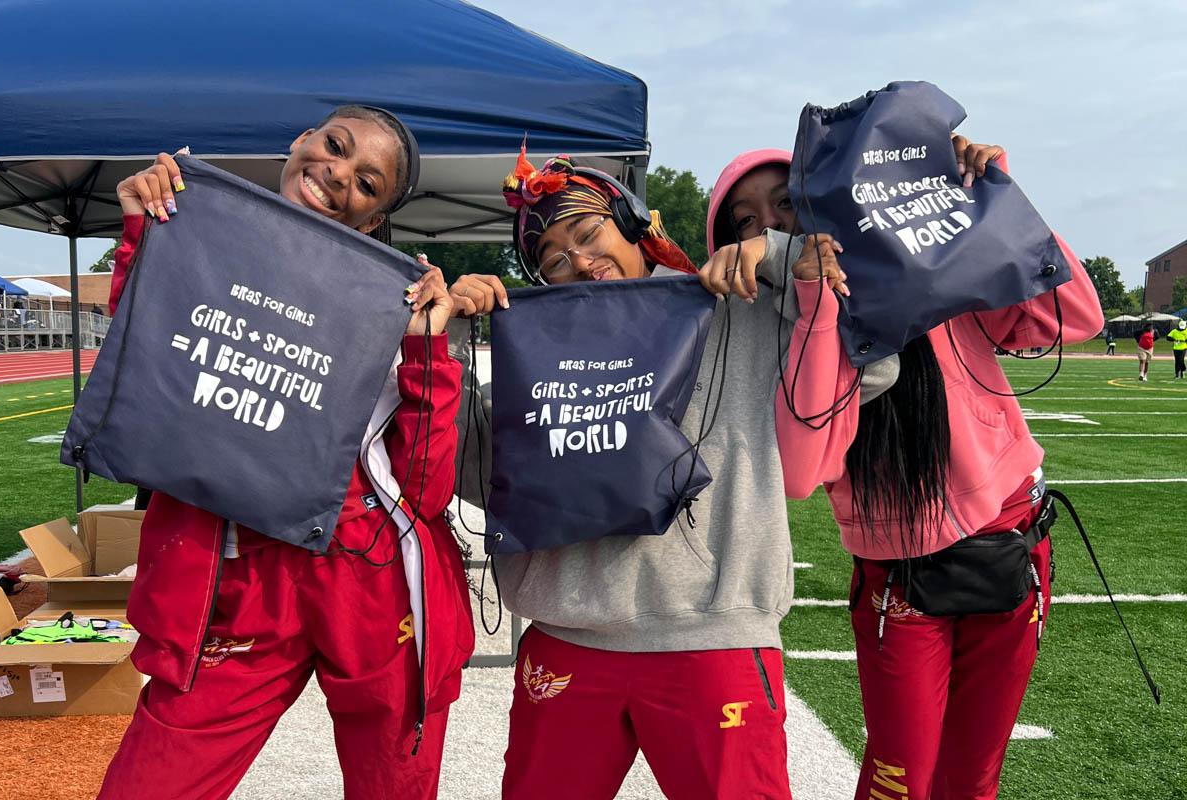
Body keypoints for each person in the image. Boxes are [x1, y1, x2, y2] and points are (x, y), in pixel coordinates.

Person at [448, 147, 898, 799]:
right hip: (566, 636)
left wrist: (777, 256)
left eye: (588, 233)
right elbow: (474, 473)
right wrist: (450, 343)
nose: (579, 260)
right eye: (553, 257)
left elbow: (875, 359)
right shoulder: (538, 350)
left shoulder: (735, 310)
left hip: (713, 638)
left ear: (635, 224)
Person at [96, 106, 474, 800]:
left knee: (393, 786)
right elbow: (141, 377)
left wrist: (426, 349)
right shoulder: (202, 240)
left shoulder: (397, 300)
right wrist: (145, 233)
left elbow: (426, 488)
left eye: (367, 183)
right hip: (239, 568)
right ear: (302, 140)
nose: (338, 174)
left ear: (372, 221)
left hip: (369, 570)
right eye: (334, 146)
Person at [775, 139, 1104, 800]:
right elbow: (803, 469)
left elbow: (1075, 317)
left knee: (973, 777)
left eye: (782, 205)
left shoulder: (941, 270)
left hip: (1009, 537)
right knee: (899, 777)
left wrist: (994, 199)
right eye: (748, 222)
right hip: (899, 568)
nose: (772, 226)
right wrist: (812, 300)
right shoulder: (789, 320)